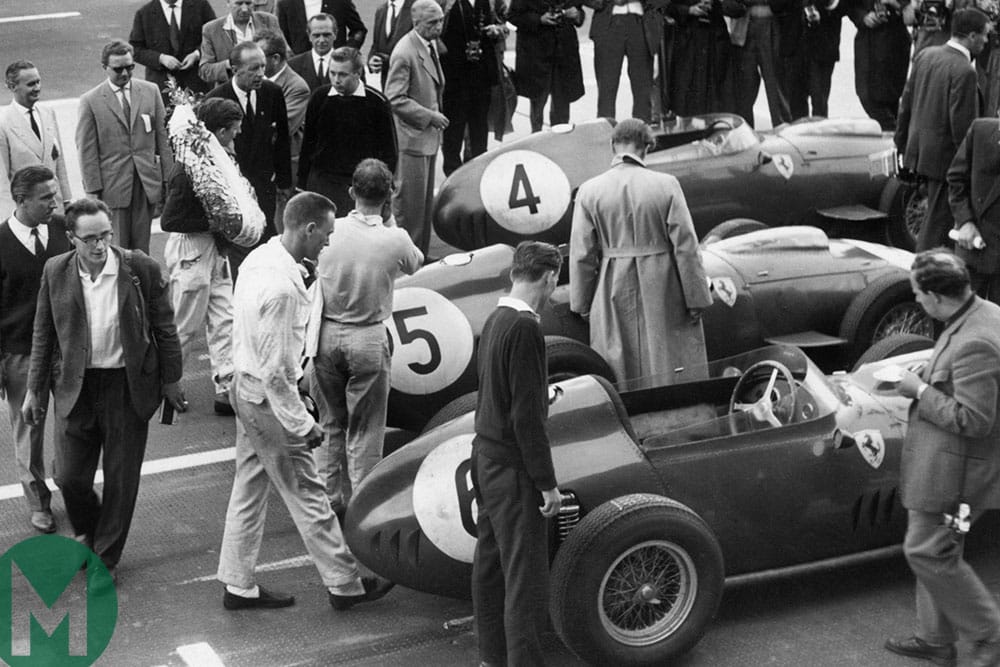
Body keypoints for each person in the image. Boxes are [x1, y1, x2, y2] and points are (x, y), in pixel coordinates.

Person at [217, 190, 394, 612]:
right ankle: (344, 584)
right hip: (268, 399)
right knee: (308, 491)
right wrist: (301, 423)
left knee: (250, 486)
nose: (328, 243)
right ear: (309, 229)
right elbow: (277, 369)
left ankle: (237, 582)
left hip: (244, 388)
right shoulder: (283, 289)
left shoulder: (260, 259)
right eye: (326, 234)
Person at [22, 198, 186, 572]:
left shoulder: (139, 268)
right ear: (71, 238)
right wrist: (34, 389)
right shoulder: (55, 270)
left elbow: (165, 327)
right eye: (90, 239)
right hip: (75, 386)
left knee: (121, 479)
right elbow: (43, 332)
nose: (99, 246)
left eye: (105, 236)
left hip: (126, 387)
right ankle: (91, 528)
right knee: (67, 475)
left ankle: (105, 558)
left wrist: (172, 379)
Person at [884, 249, 1000, 667]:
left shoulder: (977, 342)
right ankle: (935, 639)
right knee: (935, 546)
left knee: (928, 551)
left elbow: (974, 419)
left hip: (959, 476)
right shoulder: (979, 314)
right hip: (943, 468)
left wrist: (919, 391)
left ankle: (986, 633)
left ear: (935, 296)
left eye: (917, 293)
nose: (915, 300)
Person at [310, 159, 422, 513]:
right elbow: (415, 264)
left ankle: (327, 500)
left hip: (325, 332)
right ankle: (363, 503)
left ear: (350, 192)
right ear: (389, 195)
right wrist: (389, 218)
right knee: (367, 429)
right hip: (368, 335)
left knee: (329, 422)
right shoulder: (394, 238)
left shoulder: (331, 230)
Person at [472, 240, 563, 666]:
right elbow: (528, 417)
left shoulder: (496, 317)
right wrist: (546, 483)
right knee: (525, 578)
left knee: (490, 566)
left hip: (485, 455)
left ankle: (492, 657)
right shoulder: (527, 327)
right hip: (512, 467)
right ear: (549, 277)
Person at [570, 118, 712, 388]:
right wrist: (696, 299)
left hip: (612, 281)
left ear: (613, 146)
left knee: (620, 363)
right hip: (662, 280)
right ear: (646, 147)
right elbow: (686, 247)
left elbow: (582, 254)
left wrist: (582, 304)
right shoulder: (667, 184)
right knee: (667, 358)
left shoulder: (590, 190)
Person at [0, 166, 71, 534]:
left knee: (74, 425)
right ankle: (38, 503)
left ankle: (74, 491)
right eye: (46, 197)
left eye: (54, 195)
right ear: (21, 200)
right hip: (20, 353)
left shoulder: (63, 230)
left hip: (66, 349)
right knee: (28, 430)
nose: (54, 202)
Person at [160, 99, 242, 416]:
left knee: (226, 319)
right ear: (218, 132)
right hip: (193, 249)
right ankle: (169, 387)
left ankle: (227, 387)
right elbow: (170, 220)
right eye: (232, 133)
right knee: (185, 325)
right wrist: (214, 222)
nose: (234, 140)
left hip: (216, 250)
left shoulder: (217, 159)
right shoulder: (187, 169)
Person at [896, 8, 989, 252]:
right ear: (971, 36)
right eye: (984, 35)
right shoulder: (964, 71)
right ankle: (923, 275)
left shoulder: (926, 55)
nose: (986, 41)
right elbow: (963, 130)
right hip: (945, 162)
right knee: (936, 226)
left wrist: (901, 144)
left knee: (937, 221)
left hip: (919, 154)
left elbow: (906, 103)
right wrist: (970, 168)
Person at [76, 40, 173, 254]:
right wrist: (93, 191)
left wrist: (169, 178)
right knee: (118, 247)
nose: (125, 74)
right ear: (105, 68)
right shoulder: (91, 101)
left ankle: (142, 284)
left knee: (142, 247)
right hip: (113, 186)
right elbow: (86, 151)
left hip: (146, 182)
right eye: (118, 69)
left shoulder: (150, 91)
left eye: (130, 67)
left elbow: (163, 138)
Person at [206, 41, 293, 260]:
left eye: (263, 67)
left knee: (265, 244)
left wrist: (284, 181)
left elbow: (282, 139)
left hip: (264, 186)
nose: (261, 74)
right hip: (234, 190)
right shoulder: (216, 100)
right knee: (237, 250)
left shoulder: (272, 93)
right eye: (254, 68)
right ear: (235, 70)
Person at [298, 47, 397, 215]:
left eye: (342, 74)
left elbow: (389, 152)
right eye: (332, 73)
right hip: (322, 182)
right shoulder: (319, 97)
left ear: (358, 73)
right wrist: (302, 183)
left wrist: (384, 189)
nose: (336, 80)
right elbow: (308, 143)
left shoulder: (377, 102)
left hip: (359, 187)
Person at [386, 0, 448, 256]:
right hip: (413, 140)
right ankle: (406, 258)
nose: (439, 26)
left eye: (441, 20)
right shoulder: (405, 52)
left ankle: (419, 253)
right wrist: (430, 116)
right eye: (432, 22)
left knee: (422, 204)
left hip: (426, 138)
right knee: (409, 205)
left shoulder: (428, 45)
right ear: (416, 23)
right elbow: (395, 97)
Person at [440, 0, 504, 175]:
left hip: (481, 75)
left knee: (479, 127)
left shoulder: (490, 2)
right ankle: (452, 173)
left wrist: (498, 30)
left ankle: (478, 172)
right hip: (454, 75)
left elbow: (506, 23)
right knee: (453, 128)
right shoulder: (446, 3)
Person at [0, 61, 72, 216]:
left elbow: (59, 162)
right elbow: (3, 181)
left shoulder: (48, 113)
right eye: (31, 84)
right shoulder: (4, 124)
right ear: (13, 87)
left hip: (56, 208)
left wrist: (67, 201)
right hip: (27, 212)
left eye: (38, 82)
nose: (37, 88)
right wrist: (11, 217)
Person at [508, 0, 585, 132]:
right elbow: (513, 16)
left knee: (562, 104)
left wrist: (577, 14)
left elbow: (578, 11)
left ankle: (560, 142)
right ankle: (536, 138)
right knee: (537, 102)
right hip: (536, 53)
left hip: (564, 52)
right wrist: (539, 19)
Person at [948, 116, 1000, 304]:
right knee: (962, 314)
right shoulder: (980, 131)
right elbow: (955, 179)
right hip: (975, 246)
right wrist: (965, 222)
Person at [256, 29, 310, 201]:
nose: (253, 62)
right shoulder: (256, 81)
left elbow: (280, 129)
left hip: (283, 170)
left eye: (259, 58)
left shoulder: (296, 87)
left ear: (276, 58)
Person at [586, 0, 661, 122]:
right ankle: (606, 134)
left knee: (642, 90)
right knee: (606, 89)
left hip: (641, 23)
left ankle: (640, 135)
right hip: (608, 24)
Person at [666, 0, 739, 117]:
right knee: (685, 96)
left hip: (716, 42)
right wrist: (689, 10)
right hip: (687, 42)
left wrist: (718, 3)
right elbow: (667, 7)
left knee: (718, 100)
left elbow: (738, 8)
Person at [129, 0, 217, 97]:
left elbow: (214, 37)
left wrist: (197, 54)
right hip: (162, 87)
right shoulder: (144, 13)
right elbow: (135, 49)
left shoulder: (200, 6)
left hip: (197, 83)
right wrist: (161, 58)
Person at [848, 0, 911, 130]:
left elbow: (914, 10)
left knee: (890, 97)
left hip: (895, 40)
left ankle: (896, 136)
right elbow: (849, 5)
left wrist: (897, 4)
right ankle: (896, 135)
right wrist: (863, 17)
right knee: (868, 96)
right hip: (868, 41)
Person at [730, 0, 792, 128]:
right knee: (744, 89)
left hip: (771, 25)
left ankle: (783, 132)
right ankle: (744, 134)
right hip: (744, 28)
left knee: (775, 85)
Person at [778, 0, 843, 120]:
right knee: (796, 105)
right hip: (793, 44)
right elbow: (776, 6)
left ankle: (820, 137)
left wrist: (823, 10)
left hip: (822, 43)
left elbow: (843, 6)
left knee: (819, 105)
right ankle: (798, 137)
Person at [199, 0, 281, 87]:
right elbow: (205, 71)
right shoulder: (211, 30)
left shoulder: (269, 21)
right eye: (239, 3)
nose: (244, 9)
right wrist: (229, 64)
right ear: (228, 3)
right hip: (230, 94)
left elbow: (283, 56)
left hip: (267, 87)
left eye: (248, 3)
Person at [277, 0, 367, 56]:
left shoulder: (340, 2)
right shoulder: (286, 4)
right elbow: (284, 34)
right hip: (303, 69)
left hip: (336, 66)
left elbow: (358, 29)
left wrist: (347, 52)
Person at [288, 14, 341, 91]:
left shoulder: (349, 64)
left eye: (326, 35)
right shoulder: (293, 66)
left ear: (335, 34)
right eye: (316, 35)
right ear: (309, 35)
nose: (322, 40)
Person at [369, 0, 414, 89]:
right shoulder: (380, 10)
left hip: (409, 83)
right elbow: (376, 45)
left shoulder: (417, 8)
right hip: (387, 83)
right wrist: (372, 59)